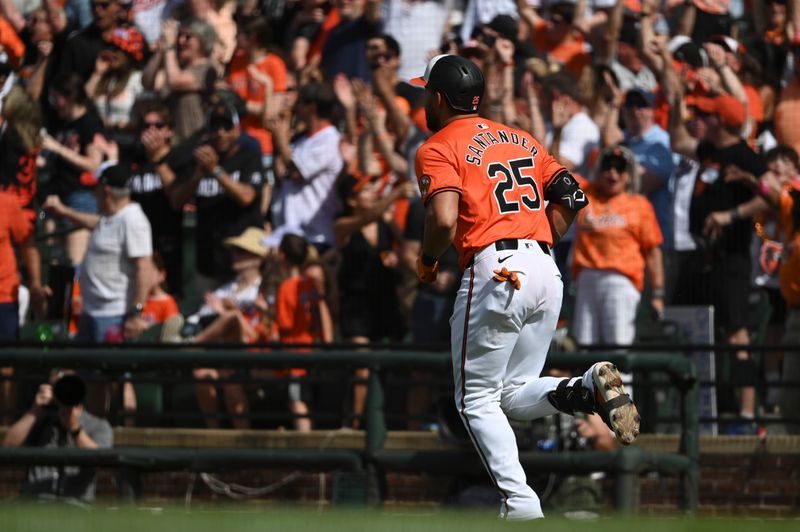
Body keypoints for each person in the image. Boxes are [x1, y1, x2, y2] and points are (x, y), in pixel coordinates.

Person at [411, 54, 640, 520]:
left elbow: (443, 218)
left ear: (438, 98)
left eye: (425, 93)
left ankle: (520, 504)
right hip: (544, 268)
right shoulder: (520, 136)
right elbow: (573, 195)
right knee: (512, 395)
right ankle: (584, 387)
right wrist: (536, 243)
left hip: (495, 269)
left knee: (473, 400)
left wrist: (430, 258)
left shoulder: (437, 145)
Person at [43, 163, 154, 344]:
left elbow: (144, 267)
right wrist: (64, 211)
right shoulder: (111, 216)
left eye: (96, 188)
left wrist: (136, 313)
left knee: (106, 369)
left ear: (107, 191)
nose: (93, 193)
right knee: (85, 369)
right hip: (92, 311)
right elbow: (97, 222)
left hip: (114, 315)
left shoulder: (132, 219)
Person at [571, 146, 665, 347]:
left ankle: (622, 380)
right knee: (584, 348)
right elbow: (558, 171)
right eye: (607, 167)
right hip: (587, 278)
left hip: (621, 281)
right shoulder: (586, 194)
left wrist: (658, 293)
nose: (613, 172)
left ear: (629, 176)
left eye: (620, 168)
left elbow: (653, 251)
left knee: (618, 346)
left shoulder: (639, 205)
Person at [2, 372, 113, 503]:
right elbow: (8, 446)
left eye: (69, 385)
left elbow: (102, 462)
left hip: (77, 507)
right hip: (36, 504)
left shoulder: (98, 425)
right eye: (58, 386)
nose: (64, 391)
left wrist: (75, 429)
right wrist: (35, 410)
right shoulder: (38, 419)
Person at [274, 233, 334, 432]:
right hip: (316, 352)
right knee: (310, 403)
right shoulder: (312, 284)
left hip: (296, 356)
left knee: (298, 402)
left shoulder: (286, 287)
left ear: (283, 256)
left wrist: (265, 310)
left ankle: (305, 453)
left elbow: (284, 325)